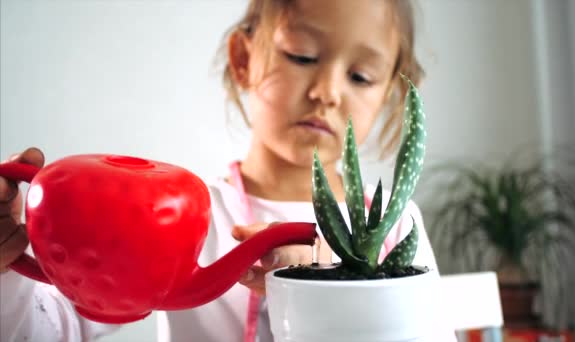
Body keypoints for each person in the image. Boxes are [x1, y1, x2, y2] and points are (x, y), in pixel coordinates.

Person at [0, 1, 453, 341]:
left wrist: (316, 293)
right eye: (301, 56)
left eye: (361, 77)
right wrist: (6, 272)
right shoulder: (188, 218)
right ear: (243, 59)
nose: (327, 92)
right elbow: (50, 330)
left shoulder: (397, 224)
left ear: (391, 93)